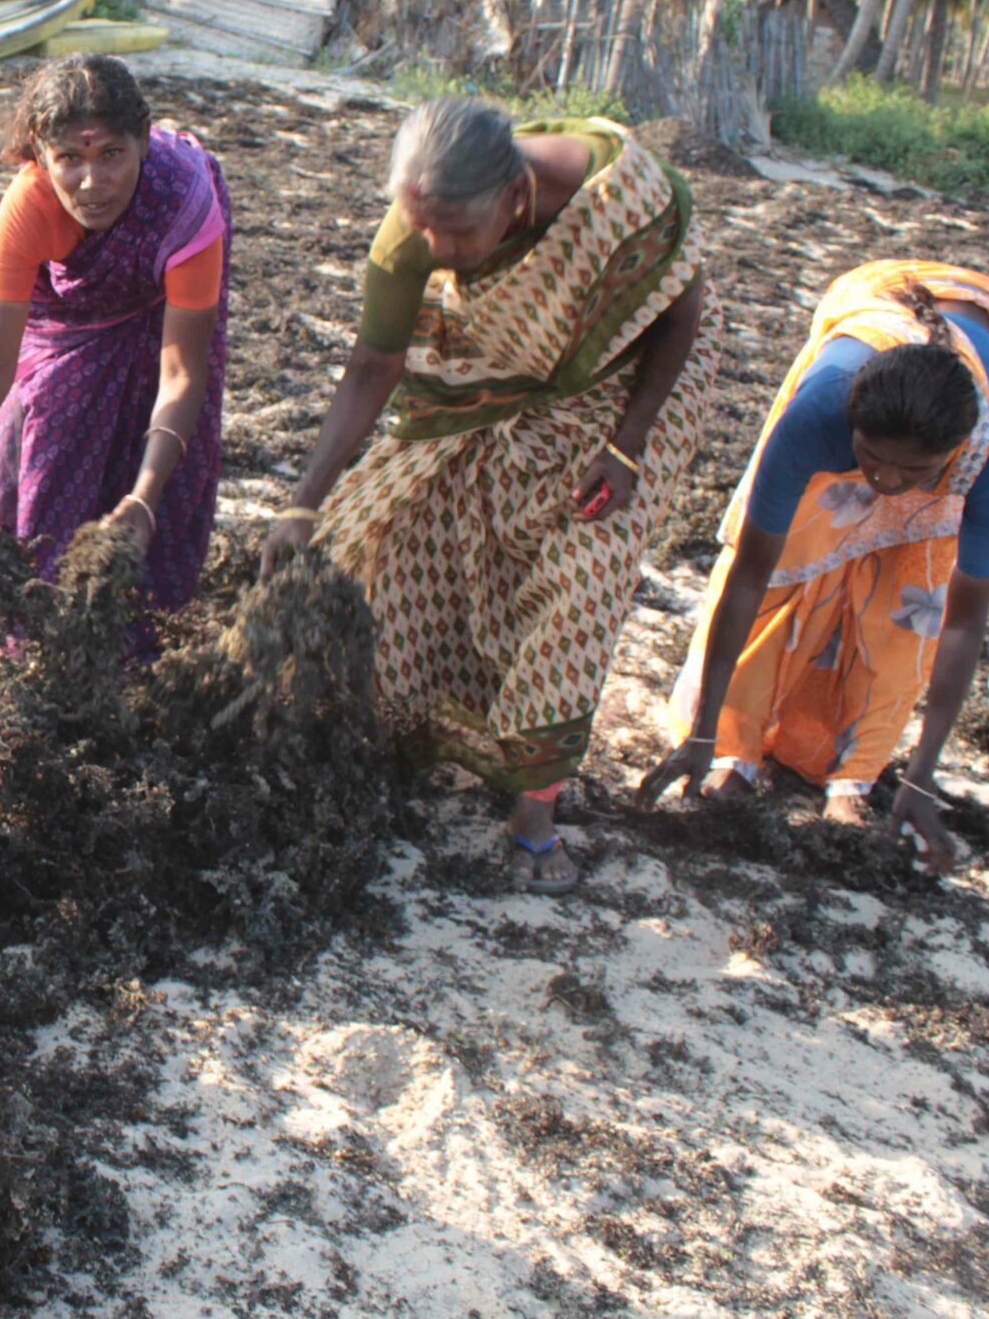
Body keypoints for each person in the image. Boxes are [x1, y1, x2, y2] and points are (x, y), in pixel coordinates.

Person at [260, 98, 718, 892]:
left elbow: (681, 315)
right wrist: (303, 503)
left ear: (514, 194)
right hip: (497, 381)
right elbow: (372, 366)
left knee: (584, 577)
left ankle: (534, 816)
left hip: (629, 392)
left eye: (459, 233)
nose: (439, 252)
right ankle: (406, 732)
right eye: (423, 229)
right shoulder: (414, 230)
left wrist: (626, 445)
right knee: (400, 533)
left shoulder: (627, 199)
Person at [640, 263, 989, 875]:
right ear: (853, 424)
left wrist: (921, 777)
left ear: (953, 452)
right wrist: (702, 733)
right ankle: (734, 750)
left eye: (915, 471)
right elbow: (749, 578)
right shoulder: (816, 415)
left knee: (913, 600)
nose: (888, 481)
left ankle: (855, 775)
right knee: (790, 565)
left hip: (978, 327)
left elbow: (961, 624)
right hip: (876, 306)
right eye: (873, 459)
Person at [0, 56, 232, 621]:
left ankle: (138, 630)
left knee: (158, 445)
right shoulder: (25, 211)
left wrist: (143, 499)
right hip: (70, 320)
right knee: (41, 422)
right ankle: (19, 632)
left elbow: (181, 372)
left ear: (143, 142)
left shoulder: (185, 205)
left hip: (166, 302)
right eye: (70, 159)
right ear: (40, 153)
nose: (92, 183)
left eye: (112, 155)